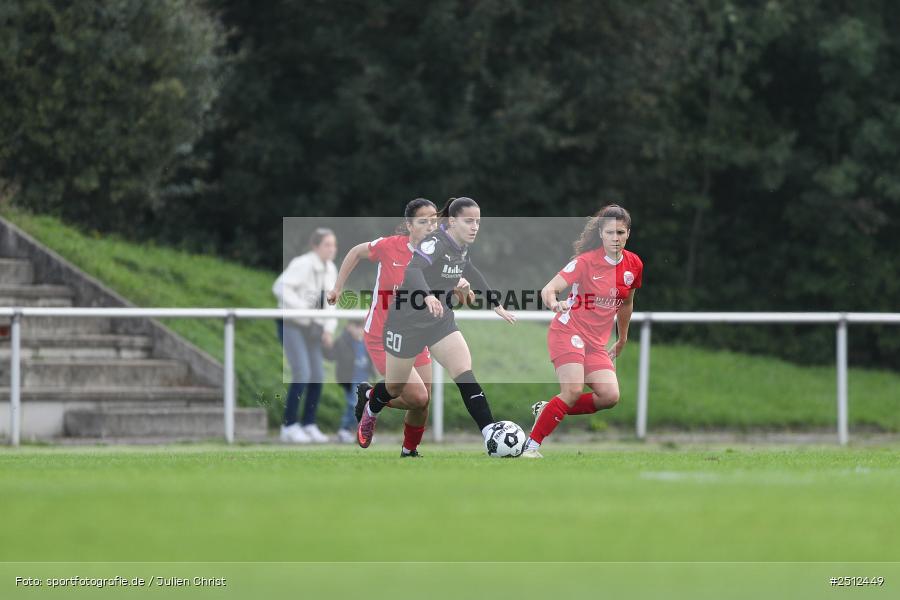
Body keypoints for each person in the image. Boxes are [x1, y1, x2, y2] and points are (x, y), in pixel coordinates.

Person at [355, 197, 517, 451]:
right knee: (395, 387)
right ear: (452, 221)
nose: (475, 227)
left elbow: (471, 270)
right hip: (404, 324)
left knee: (463, 372)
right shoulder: (435, 243)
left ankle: (488, 432)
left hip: (438, 321)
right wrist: (428, 295)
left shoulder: (461, 245)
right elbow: (413, 270)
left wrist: (495, 303)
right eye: (469, 221)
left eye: (478, 221)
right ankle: (371, 405)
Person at [522, 204, 643, 458]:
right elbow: (548, 290)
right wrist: (555, 303)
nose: (615, 238)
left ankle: (547, 410)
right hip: (568, 331)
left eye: (620, 232)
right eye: (610, 232)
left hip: (596, 343)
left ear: (628, 233)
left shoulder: (634, 265)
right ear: (601, 233)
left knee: (609, 396)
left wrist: (622, 338)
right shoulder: (586, 262)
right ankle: (531, 447)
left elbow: (627, 303)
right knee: (573, 391)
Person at [326, 198, 440, 457]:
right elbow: (356, 252)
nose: (431, 226)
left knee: (424, 400)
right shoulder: (389, 247)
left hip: (415, 335)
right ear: (409, 225)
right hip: (382, 335)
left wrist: (462, 288)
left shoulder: (438, 255)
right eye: (424, 221)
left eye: (434, 220)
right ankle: (371, 400)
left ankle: (409, 451)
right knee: (417, 397)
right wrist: (337, 287)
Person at [273, 227, 338, 444]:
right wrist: (304, 310)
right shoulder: (302, 263)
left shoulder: (331, 269)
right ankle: (289, 426)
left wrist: (328, 328)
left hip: (313, 328)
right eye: (327, 244)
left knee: (318, 375)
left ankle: (309, 424)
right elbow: (280, 287)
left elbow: (332, 302)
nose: (332, 249)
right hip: (292, 323)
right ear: (315, 246)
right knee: (302, 372)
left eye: (334, 244)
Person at [329, 320, 375, 443]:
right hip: (351, 379)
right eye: (356, 326)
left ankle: (362, 431)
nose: (359, 330)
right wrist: (326, 345)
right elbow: (331, 355)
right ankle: (345, 430)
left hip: (364, 379)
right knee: (353, 404)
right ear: (349, 327)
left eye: (361, 327)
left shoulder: (366, 341)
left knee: (367, 406)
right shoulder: (343, 341)